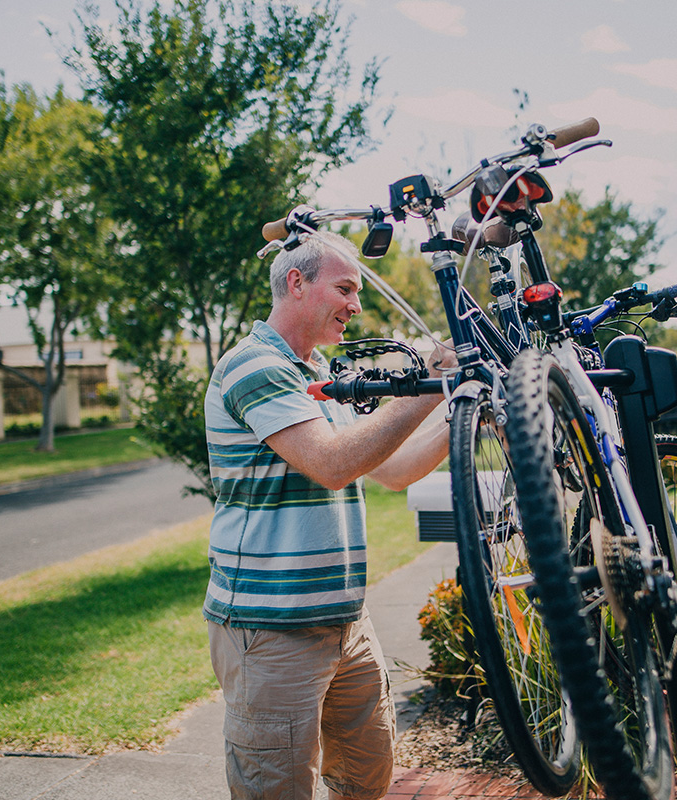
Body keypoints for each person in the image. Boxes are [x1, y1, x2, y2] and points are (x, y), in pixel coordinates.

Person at [202, 230, 452, 800]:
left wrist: (461, 407)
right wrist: (431, 379)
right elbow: (334, 462)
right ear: (297, 282)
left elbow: (392, 469)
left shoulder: (314, 374)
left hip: (346, 625)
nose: (355, 305)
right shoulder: (254, 367)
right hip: (272, 630)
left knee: (365, 779)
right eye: (344, 288)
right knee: (278, 790)